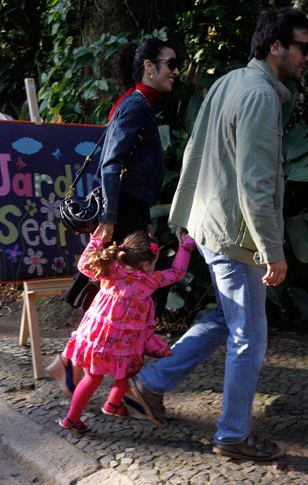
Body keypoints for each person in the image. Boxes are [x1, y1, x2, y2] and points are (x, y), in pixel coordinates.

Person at [128, 7, 308, 461]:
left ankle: (151, 383)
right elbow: (255, 181)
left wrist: (184, 211)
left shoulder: (231, 81)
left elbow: (196, 146)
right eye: (303, 47)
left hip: (211, 224)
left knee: (230, 319)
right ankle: (232, 434)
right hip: (233, 232)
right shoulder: (260, 96)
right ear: (276, 47)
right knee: (251, 334)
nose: (307, 56)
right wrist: (272, 251)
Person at [47, 38, 180, 395]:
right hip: (121, 208)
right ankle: (77, 368)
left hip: (130, 207)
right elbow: (111, 164)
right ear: (149, 67)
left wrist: (143, 217)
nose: (175, 71)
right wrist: (109, 217)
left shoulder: (139, 105)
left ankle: (81, 370)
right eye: (170, 64)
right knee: (115, 295)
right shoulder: (135, 106)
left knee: (113, 295)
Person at [58, 230, 195, 431]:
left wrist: (96, 242)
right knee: (130, 372)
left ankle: (73, 418)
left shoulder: (109, 269)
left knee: (92, 378)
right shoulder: (149, 280)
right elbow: (177, 273)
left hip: (96, 337)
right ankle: (112, 403)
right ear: (147, 264)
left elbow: (83, 265)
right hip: (125, 342)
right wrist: (185, 247)